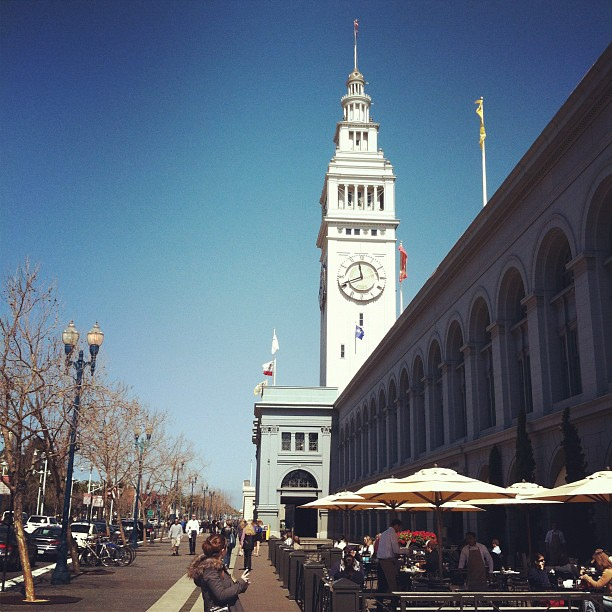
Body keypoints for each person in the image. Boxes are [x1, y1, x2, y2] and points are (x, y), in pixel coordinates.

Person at [187, 533, 250, 612]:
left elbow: (225, 587)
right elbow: (221, 595)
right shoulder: (210, 570)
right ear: (223, 551)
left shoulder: (216, 566)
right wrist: (240, 584)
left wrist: (242, 585)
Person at [377, 519, 402, 592]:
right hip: (387, 562)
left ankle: (380, 598)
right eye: (399, 527)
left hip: (380, 561)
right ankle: (393, 597)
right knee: (391, 582)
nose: (399, 530)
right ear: (396, 525)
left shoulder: (384, 533)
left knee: (382, 583)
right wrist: (407, 550)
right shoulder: (392, 534)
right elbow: (396, 550)